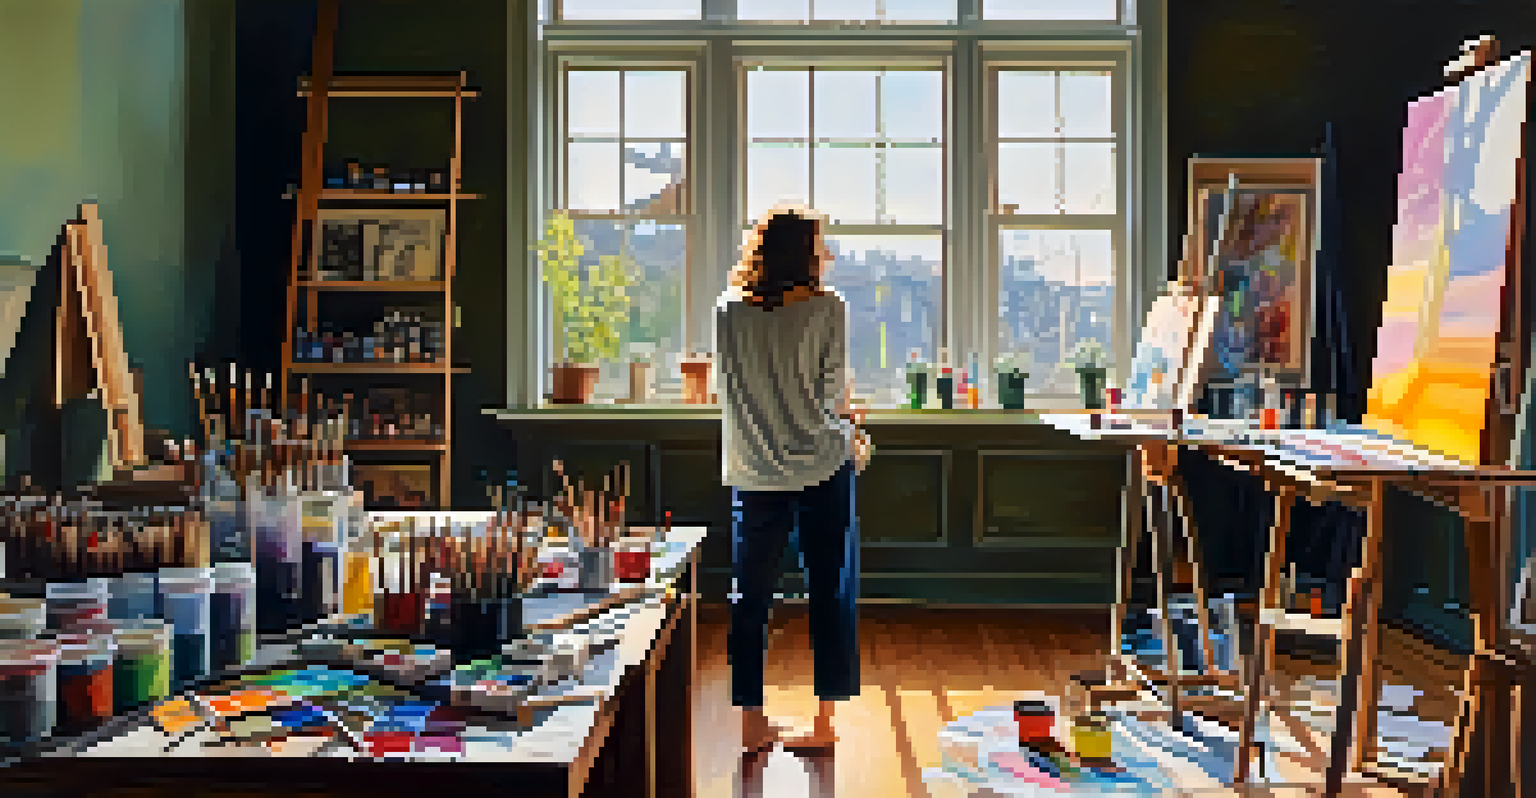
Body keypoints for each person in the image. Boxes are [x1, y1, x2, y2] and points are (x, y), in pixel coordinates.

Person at [714, 203, 867, 757]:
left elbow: (729, 394)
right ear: (806, 254)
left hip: (754, 472)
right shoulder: (830, 308)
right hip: (823, 466)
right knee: (830, 591)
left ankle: (752, 719)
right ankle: (824, 719)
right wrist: (850, 429)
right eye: (820, 246)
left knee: (749, 597)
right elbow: (829, 396)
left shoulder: (728, 310)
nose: (827, 256)